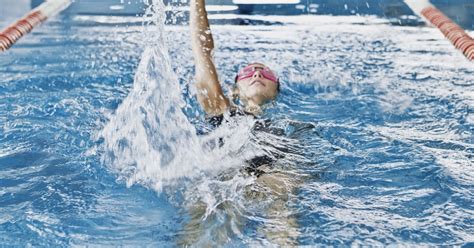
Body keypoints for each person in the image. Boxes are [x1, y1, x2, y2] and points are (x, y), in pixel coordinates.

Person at [179, 0, 303, 246]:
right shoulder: (220, 108)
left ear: (276, 92)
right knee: (206, 206)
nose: (257, 74)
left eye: (266, 73)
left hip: (272, 175)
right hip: (222, 174)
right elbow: (203, 54)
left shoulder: (290, 126)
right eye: (249, 72)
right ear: (235, 90)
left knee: (282, 201)